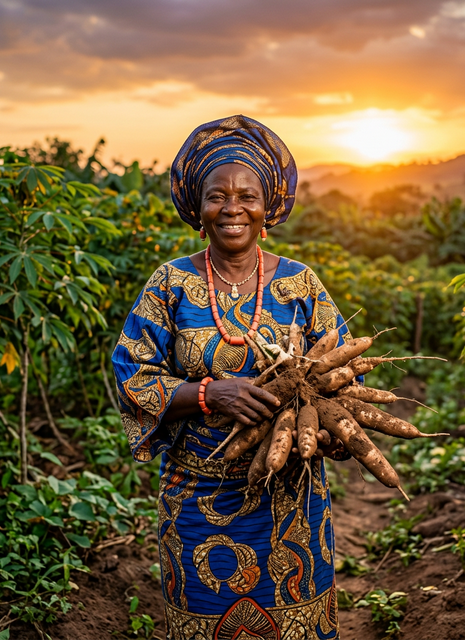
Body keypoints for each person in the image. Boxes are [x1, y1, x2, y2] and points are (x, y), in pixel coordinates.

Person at [112, 115, 352, 639]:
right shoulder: (170, 283)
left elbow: (343, 373)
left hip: (292, 500)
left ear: (268, 208)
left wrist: (332, 429)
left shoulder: (300, 284)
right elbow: (130, 374)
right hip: (196, 498)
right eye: (217, 196)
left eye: (248, 195)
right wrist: (207, 393)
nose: (233, 208)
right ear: (198, 209)